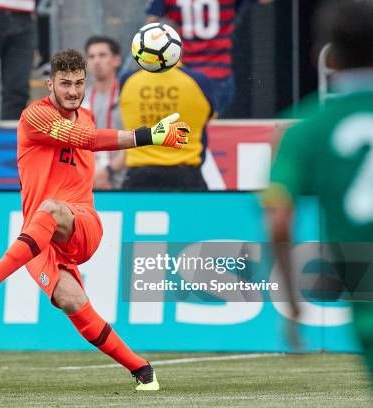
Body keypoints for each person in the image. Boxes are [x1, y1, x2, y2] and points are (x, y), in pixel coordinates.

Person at [0, 48, 190, 391]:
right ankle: (142, 369)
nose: (73, 91)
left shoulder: (86, 116)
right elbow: (82, 139)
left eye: (79, 83)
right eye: (65, 83)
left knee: (52, 208)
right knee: (71, 301)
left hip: (80, 223)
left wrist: (148, 136)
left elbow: (89, 138)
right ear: (50, 85)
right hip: (39, 236)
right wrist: (148, 135)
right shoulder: (34, 117)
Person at [263, 0, 373, 380]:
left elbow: (278, 221)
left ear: (326, 58)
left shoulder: (302, 130)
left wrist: (293, 304)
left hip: (365, 287)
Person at [145, 0, 272, 115]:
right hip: (218, 75)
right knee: (209, 129)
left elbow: (151, 24)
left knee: (190, 127)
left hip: (186, 74)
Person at [119, 61, 216, 191]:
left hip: (139, 176)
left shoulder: (128, 80)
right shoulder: (197, 80)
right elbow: (209, 116)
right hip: (185, 175)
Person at [82, 36, 125, 190]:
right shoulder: (77, 100)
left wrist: (108, 171)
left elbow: (138, 141)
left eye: (102, 55)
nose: (96, 61)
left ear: (116, 60)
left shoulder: (128, 96)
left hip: (125, 184)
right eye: (91, 56)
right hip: (88, 184)